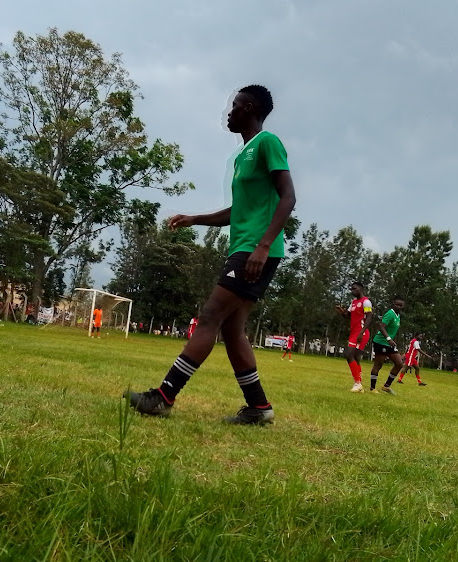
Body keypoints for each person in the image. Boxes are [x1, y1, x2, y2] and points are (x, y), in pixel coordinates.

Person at [124, 85, 296, 425]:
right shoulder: (244, 155)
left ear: (248, 108)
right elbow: (239, 211)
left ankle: (163, 396)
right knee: (232, 330)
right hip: (245, 247)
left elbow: (288, 196)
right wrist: (195, 218)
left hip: (255, 251)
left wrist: (262, 247)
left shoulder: (267, 142)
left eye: (234, 106)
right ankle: (259, 408)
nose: (228, 112)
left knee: (209, 318)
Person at [334, 281, 373, 393]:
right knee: (355, 358)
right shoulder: (354, 302)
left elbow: (370, 317)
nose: (352, 291)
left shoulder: (366, 302)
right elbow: (348, 315)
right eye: (351, 289)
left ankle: (357, 383)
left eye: (354, 289)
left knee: (348, 354)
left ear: (360, 289)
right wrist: (342, 312)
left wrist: (361, 332)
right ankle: (359, 385)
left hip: (361, 333)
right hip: (354, 332)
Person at [369, 296, 405, 394]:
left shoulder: (398, 315)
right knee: (378, 365)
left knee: (399, 364)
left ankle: (386, 386)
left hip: (389, 344)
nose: (399, 306)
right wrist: (389, 339)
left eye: (401, 305)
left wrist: (391, 340)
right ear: (393, 304)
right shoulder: (390, 314)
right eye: (397, 304)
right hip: (381, 342)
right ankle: (372, 388)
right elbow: (381, 326)